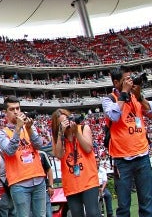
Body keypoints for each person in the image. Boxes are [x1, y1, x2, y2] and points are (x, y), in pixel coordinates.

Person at [101, 66, 152, 217]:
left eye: (131, 79)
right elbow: (114, 116)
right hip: (122, 159)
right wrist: (123, 93)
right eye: (126, 80)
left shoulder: (135, 96)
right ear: (116, 83)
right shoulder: (109, 99)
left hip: (142, 156)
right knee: (123, 205)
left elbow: (150, 113)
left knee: (147, 202)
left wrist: (140, 97)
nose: (130, 82)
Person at [0, 96, 46, 217]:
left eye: (18, 108)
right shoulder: (2, 133)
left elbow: (39, 145)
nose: (16, 112)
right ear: (5, 113)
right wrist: (18, 128)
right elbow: (10, 151)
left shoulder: (29, 127)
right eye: (12, 109)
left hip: (38, 179)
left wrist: (29, 129)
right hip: (19, 183)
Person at [51, 109, 100, 217]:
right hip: (71, 184)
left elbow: (88, 149)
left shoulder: (83, 128)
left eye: (67, 120)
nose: (66, 124)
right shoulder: (57, 138)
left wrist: (76, 133)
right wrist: (60, 134)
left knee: (93, 213)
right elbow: (59, 155)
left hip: (88, 181)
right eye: (62, 123)